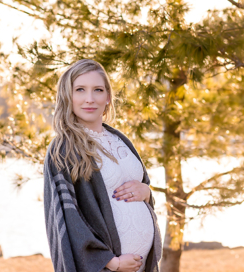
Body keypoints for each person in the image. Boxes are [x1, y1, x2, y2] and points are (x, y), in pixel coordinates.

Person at [43, 59, 162, 272]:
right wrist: (111, 262)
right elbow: (70, 221)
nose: (90, 99)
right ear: (68, 96)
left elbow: (142, 191)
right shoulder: (64, 148)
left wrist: (146, 192)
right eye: (80, 90)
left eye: (97, 90)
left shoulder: (120, 140)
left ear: (108, 97)